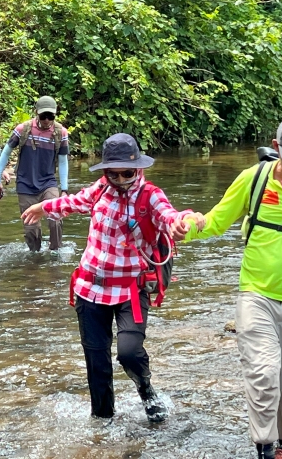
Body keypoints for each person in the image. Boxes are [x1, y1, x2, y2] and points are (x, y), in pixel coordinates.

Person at [176, 116, 282, 459]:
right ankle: (265, 447)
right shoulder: (253, 180)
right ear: (276, 148)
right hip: (256, 293)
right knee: (263, 372)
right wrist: (188, 226)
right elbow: (216, 220)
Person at [22, 133, 193, 423]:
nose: (120, 179)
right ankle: (102, 423)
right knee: (96, 361)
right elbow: (75, 202)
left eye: (127, 173)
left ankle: (146, 389)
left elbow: (168, 215)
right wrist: (42, 207)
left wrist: (181, 223)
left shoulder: (149, 195)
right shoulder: (101, 189)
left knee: (129, 353)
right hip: (90, 289)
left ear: (139, 169)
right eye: (113, 173)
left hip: (130, 290)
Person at [0, 95, 69, 252]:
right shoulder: (23, 130)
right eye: (43, 116)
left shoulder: (61, 133)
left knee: (55, 218)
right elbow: (6, 153)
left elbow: (62, 161)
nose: (47, 120)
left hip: (48, 183)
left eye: (51, 116)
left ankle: (56, 252)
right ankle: (35, 258)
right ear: (36, 113)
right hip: (25, 184)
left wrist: (65, 189)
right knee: (31, 229)